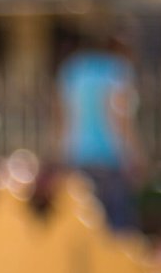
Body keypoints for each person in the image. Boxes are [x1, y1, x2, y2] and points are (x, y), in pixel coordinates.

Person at [55, 29, 144, 232]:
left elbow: (62, 116)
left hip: (77, 156)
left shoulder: (72, 70)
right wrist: (135, 156)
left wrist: (61, 153)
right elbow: (120, 118)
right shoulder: (116, 70)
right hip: (110, 159)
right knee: (117, 229)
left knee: (84, 224)